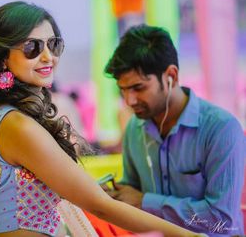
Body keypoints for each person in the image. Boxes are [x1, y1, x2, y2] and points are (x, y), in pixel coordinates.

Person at [0, 2, 198, 236]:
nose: (48, 57)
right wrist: (191, 235)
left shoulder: (7, 118)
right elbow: (102, 206)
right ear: (3, 58)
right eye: (32, 47)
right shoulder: (17, 125)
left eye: (53, 45)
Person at [104, 24, 245, 236]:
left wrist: (145, 201)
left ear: (171, 75)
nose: (129, 100)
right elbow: (131, 193)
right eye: (122, 90)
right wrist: (112, 195)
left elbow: (220, 220)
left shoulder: (221, 129)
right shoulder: (135, 127)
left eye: (138, 88)